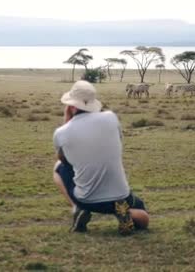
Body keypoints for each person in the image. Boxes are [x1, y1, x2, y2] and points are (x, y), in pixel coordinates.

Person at [52, 80, 149, 235]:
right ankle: (124, 213)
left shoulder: (61, 133)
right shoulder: (111, 117)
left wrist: (67, 120)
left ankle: (78, 207)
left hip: (87, 199)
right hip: (121, 196)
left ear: (71, 106)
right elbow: (118, 141)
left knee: (57, 167)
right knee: (142, 215)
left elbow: (65, 160)